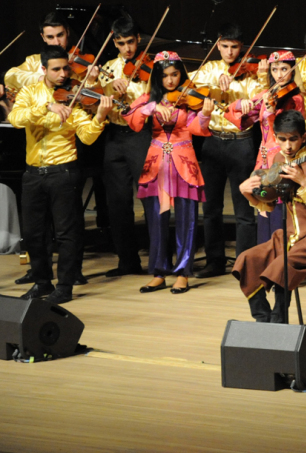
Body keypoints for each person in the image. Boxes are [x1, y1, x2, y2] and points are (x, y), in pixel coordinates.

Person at [8, 45, 112, 304]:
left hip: (63, 172)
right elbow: (15, 118)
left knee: (67, 233)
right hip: (33, 174)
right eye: (57, 69)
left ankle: (64, 286)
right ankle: (42, 283)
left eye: (66, 68)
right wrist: (47, 107)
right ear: (44, 69)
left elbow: (86, 137)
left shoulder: (75, 97)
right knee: (33, 234)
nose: (64, 74)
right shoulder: (30, 92)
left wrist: (99, 116)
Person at [233, 110, 306, 323]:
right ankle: (263, 320)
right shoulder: (279, 158)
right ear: (275, 137)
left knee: (283, 265)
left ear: (304, 137)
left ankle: (278, 322)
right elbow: (269, 203)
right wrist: (246, 192)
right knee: (247, 259)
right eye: (282, 139)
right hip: (289, 236)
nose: (288, 145)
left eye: (293, 139)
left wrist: (303, 182)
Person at [123, 51, 213, 294]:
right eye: (165, 76)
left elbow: (197, 128)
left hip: (184, 160)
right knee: (156, 218)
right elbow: (132, 121)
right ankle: (159, 271)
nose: (171, 81)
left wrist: (204, 114)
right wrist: (149, 108)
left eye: (175, 75)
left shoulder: (188, 97)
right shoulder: (147, 99)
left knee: (187, 218)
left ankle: (183, 272)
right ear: (157, 78)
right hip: (156, 162)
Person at [190, 23, 268, 278]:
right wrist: (214, 81)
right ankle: (214, 261)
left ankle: (244, 264)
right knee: (211, 206)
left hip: (241, 142)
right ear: (218, 44)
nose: (230, 52)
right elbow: (186, 89)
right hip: (213, 141)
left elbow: (260, 101)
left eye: (235, 47)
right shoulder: (208, 69)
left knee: (244, 207)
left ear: (242, 47)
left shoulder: (252, 74)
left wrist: (248, 100)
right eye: (225, 46)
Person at [224, 50, 305, 244]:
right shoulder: (267, 94)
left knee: (279, 212)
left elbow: (288, 128)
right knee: (264, 209)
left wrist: (270, 113)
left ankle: (282, 263)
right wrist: (240, 103)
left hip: (282, 159)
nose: (279, 74)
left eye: (284, 69)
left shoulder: (295, 99)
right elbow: (236, 115)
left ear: (292, 71)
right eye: (275, 69)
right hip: (263, 160)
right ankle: (266, 261)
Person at [98, 16, 151, 277]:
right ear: (114, 42)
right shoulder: (107, 67)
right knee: (117, 203)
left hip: (141, 135)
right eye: (121, 44)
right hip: (114, 137)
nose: (127, 49)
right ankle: (127, 261)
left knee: (150, 199)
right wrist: (108, 86)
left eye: (131, 42)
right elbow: (93, 95)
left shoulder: (151, 65)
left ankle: (158, 259)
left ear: (138, 39)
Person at [5, 11, 99, 93]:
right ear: (43, 37)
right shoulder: (34, 60)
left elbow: (88, 101)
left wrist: (90, 81)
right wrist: (41, 78)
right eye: (50, 37)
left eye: (60, 35)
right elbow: (10, 76)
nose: (57, 43)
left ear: (68, 32)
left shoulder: (80, 67)